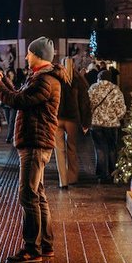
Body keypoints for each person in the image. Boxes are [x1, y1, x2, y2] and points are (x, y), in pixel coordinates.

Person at [0, 36, 68, 263]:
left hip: (35, 142)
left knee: (28, 195)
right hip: (35, 141)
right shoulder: (40, 78)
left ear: (39, 55)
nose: (26, 56)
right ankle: (45, 244)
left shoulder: (44, 81)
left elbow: (18, 102)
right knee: (37, 194)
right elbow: (19, 96)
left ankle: (32, 249)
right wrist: (3, 80)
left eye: (30, 53)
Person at [53, 57, 92, 188]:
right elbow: (84, 103)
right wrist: (86, 122)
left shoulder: (56, 78)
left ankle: (62, 181)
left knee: (59, 150)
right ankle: (72, 178)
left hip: (58, 118)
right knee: (72, 148)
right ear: (73, 65)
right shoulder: (79, 80)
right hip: (72, 119)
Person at [88, 70, 127, 182]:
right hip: (112, 124)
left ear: (99, 78)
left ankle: (102, 175)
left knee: (99, 148)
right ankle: (113, 173)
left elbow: (88, 105)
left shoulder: (93, 88)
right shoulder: (116, 90)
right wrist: (116, 117)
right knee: (112, 148)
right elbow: (121, 109)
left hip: (96, 123)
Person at [3, 67, 18, 143]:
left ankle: (9, 137)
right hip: (5, 104)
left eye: (12, 74)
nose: (11, 75)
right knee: (8, 121)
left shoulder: (17, 83)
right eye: (9, 74)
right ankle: (13, 135)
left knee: (12, 120)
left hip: (13, 104)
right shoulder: (5, 83)